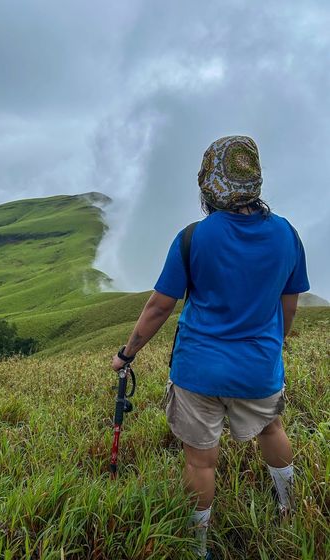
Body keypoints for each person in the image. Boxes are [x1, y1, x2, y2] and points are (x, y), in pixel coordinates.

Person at [111, 135, 310, 559]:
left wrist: (127, 354)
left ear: (209, 182)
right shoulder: (287, 235)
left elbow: (160, 306)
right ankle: (290, 509)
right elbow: (288, 303)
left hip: (198, 370)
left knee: (200, 462)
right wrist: (277, 342)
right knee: (273, 429)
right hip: (259, 366)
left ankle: (199, 546)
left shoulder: (192, 238)